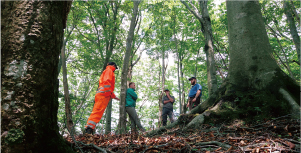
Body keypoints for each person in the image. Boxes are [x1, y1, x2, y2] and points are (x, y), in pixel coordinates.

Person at [85, 62, 120, 134]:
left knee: (97, 111)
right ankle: (89, 129)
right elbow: (106, 82)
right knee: (97, 111)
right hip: (103, 95)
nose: (114, 70)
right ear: (113, 66)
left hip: (103, 94)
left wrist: (114, 97)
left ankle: (90, 129)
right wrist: (107, 94)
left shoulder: (107, 71)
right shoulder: (109, 70)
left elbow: (108, 87)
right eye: (115, 68)